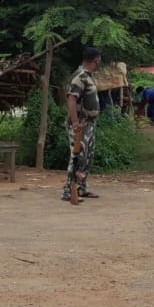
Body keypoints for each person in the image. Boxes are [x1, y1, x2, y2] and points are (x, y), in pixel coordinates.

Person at [62, 46, 102, 204]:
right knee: (77, 156)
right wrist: (75, 122)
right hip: (81, 123)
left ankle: (81, 188)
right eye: (99, 59)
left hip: (89, 123)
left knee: (87, 156)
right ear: (96, 59)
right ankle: (69, 190)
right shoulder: (80, 76)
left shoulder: (88, 76)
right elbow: (72, 98)